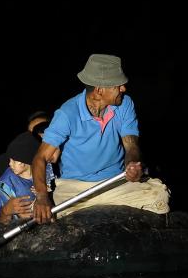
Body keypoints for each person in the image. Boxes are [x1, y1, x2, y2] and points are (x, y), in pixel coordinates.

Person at [31, 54, 170, 224]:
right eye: (118, 86)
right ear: (99, 90)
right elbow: (40, 158)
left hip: (115, 182)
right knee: (51, 217)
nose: (123, 89)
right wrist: (42, 196)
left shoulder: (125, 104)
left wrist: (132, 164)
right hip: (75, 189)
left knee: (160, 196)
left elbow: (131, 145)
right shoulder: (67, 114)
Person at [0, 133, 47, 223]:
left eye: (14, 160)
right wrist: (11, 211)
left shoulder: (48, 170)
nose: (9, 164)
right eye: (9, 160)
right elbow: (15, 217)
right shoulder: (5, 183)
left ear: (25, 160)